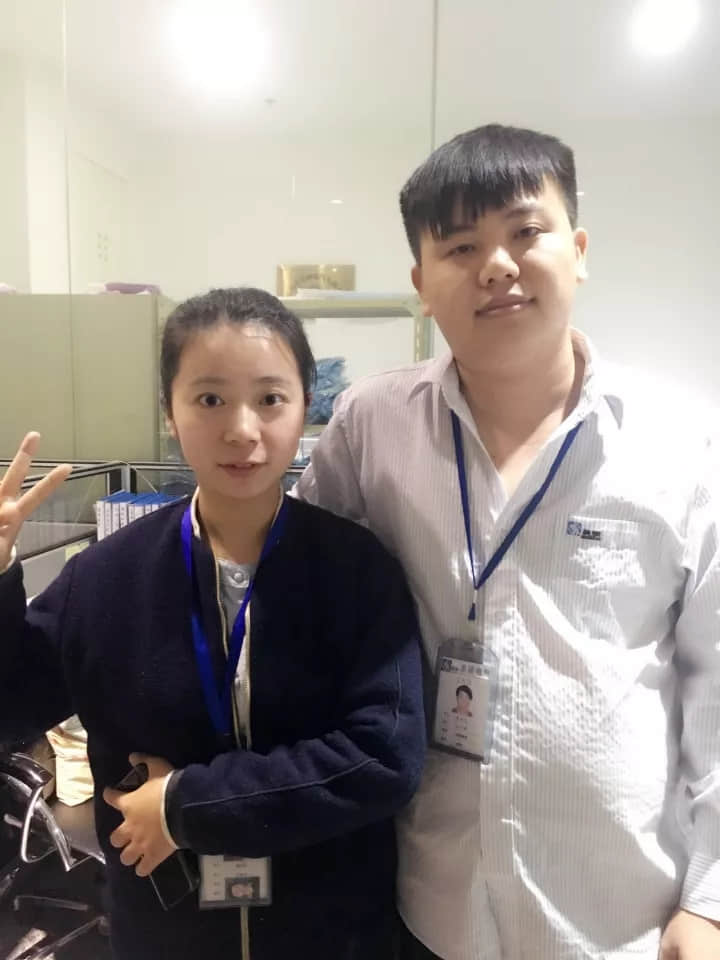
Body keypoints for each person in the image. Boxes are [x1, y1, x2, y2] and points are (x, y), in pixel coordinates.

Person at [294, 124, 720, 959]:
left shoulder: (684, 444)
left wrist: (711, 900)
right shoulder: (370, 427)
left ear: (578, 250)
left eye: (526, 231)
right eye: (460, 246)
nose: (496, 265)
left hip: (621, 924)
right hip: (428, 907)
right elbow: (296, 599)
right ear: (421, 284)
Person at [0, 287, 425, 959]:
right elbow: (11, 710)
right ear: (169, 412)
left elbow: (384, 758)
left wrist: (186, 807)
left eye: (270, 398)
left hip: (333, 936)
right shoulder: (107, 576)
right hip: (167, 936)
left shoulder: (357, 570)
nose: (242, 430)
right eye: (209, 399)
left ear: (306, 408)